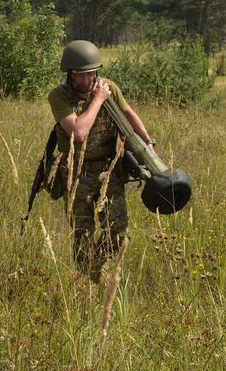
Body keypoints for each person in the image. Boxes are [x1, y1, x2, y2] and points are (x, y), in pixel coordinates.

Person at [47, 40, 156, 282]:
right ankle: (86, 283)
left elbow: (128, 113)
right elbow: (78, 132)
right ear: (69, 74)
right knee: (82, 237)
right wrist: (97, 99)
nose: (86, 80)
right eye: (79, 75)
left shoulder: (109, 88)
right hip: (76, 175)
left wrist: (148, 141)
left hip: (110, 172)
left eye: (90, 74)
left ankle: (96, 271)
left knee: (119, 234)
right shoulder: (59, 96)